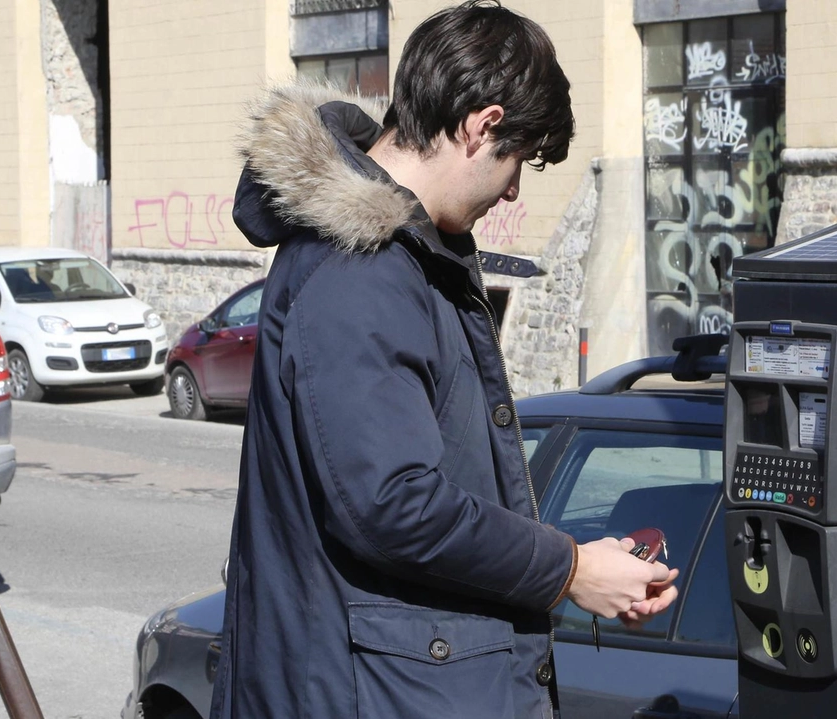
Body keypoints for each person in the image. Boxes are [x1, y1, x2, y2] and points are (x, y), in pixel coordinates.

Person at [209, 3, 679, 717]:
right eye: (518, 160)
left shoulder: (404, 258)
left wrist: (578, 563)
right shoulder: (358, 267)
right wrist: (571, 569)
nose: (515, 188)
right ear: (480, 124)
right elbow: (393, 502)